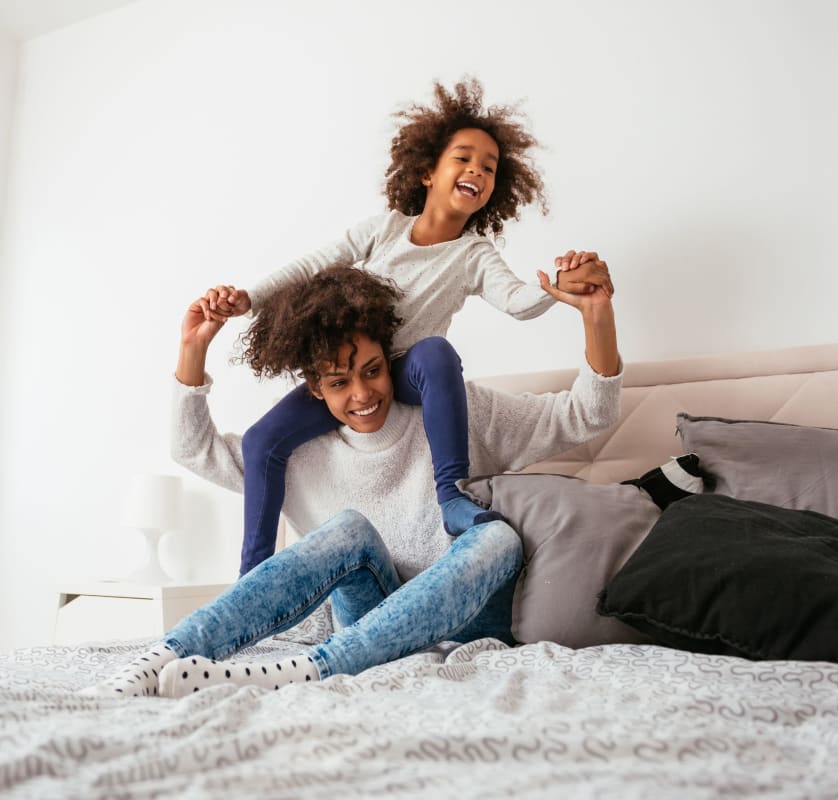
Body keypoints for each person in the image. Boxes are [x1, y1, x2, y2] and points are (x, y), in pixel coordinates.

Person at [91, 259, 621, 698]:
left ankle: (309, 671)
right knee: (348, 528)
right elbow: (194, 449)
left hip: (473, 619)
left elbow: (583, 417)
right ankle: (164, 657)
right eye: (340, 383)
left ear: (390, 361)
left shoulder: (456, 412)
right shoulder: (298, 455)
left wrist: (597, 316)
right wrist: (193, 350)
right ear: (315, 390)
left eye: (372, 370)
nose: (363, 395)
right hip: (368, 623)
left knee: (499, 536)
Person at [202, 77, 614, 577]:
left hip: (405, 375)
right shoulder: (384, 230)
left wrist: (554, 288)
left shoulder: (473, 254)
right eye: (463, 158)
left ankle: (451, 495)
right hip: (355, 370)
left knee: (436, 352)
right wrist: (248, 299)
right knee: (260, 441)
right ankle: (255, 574)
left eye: (489, 167)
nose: (476, 171)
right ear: (426, 171)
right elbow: (313, 264)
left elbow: (517, 301)